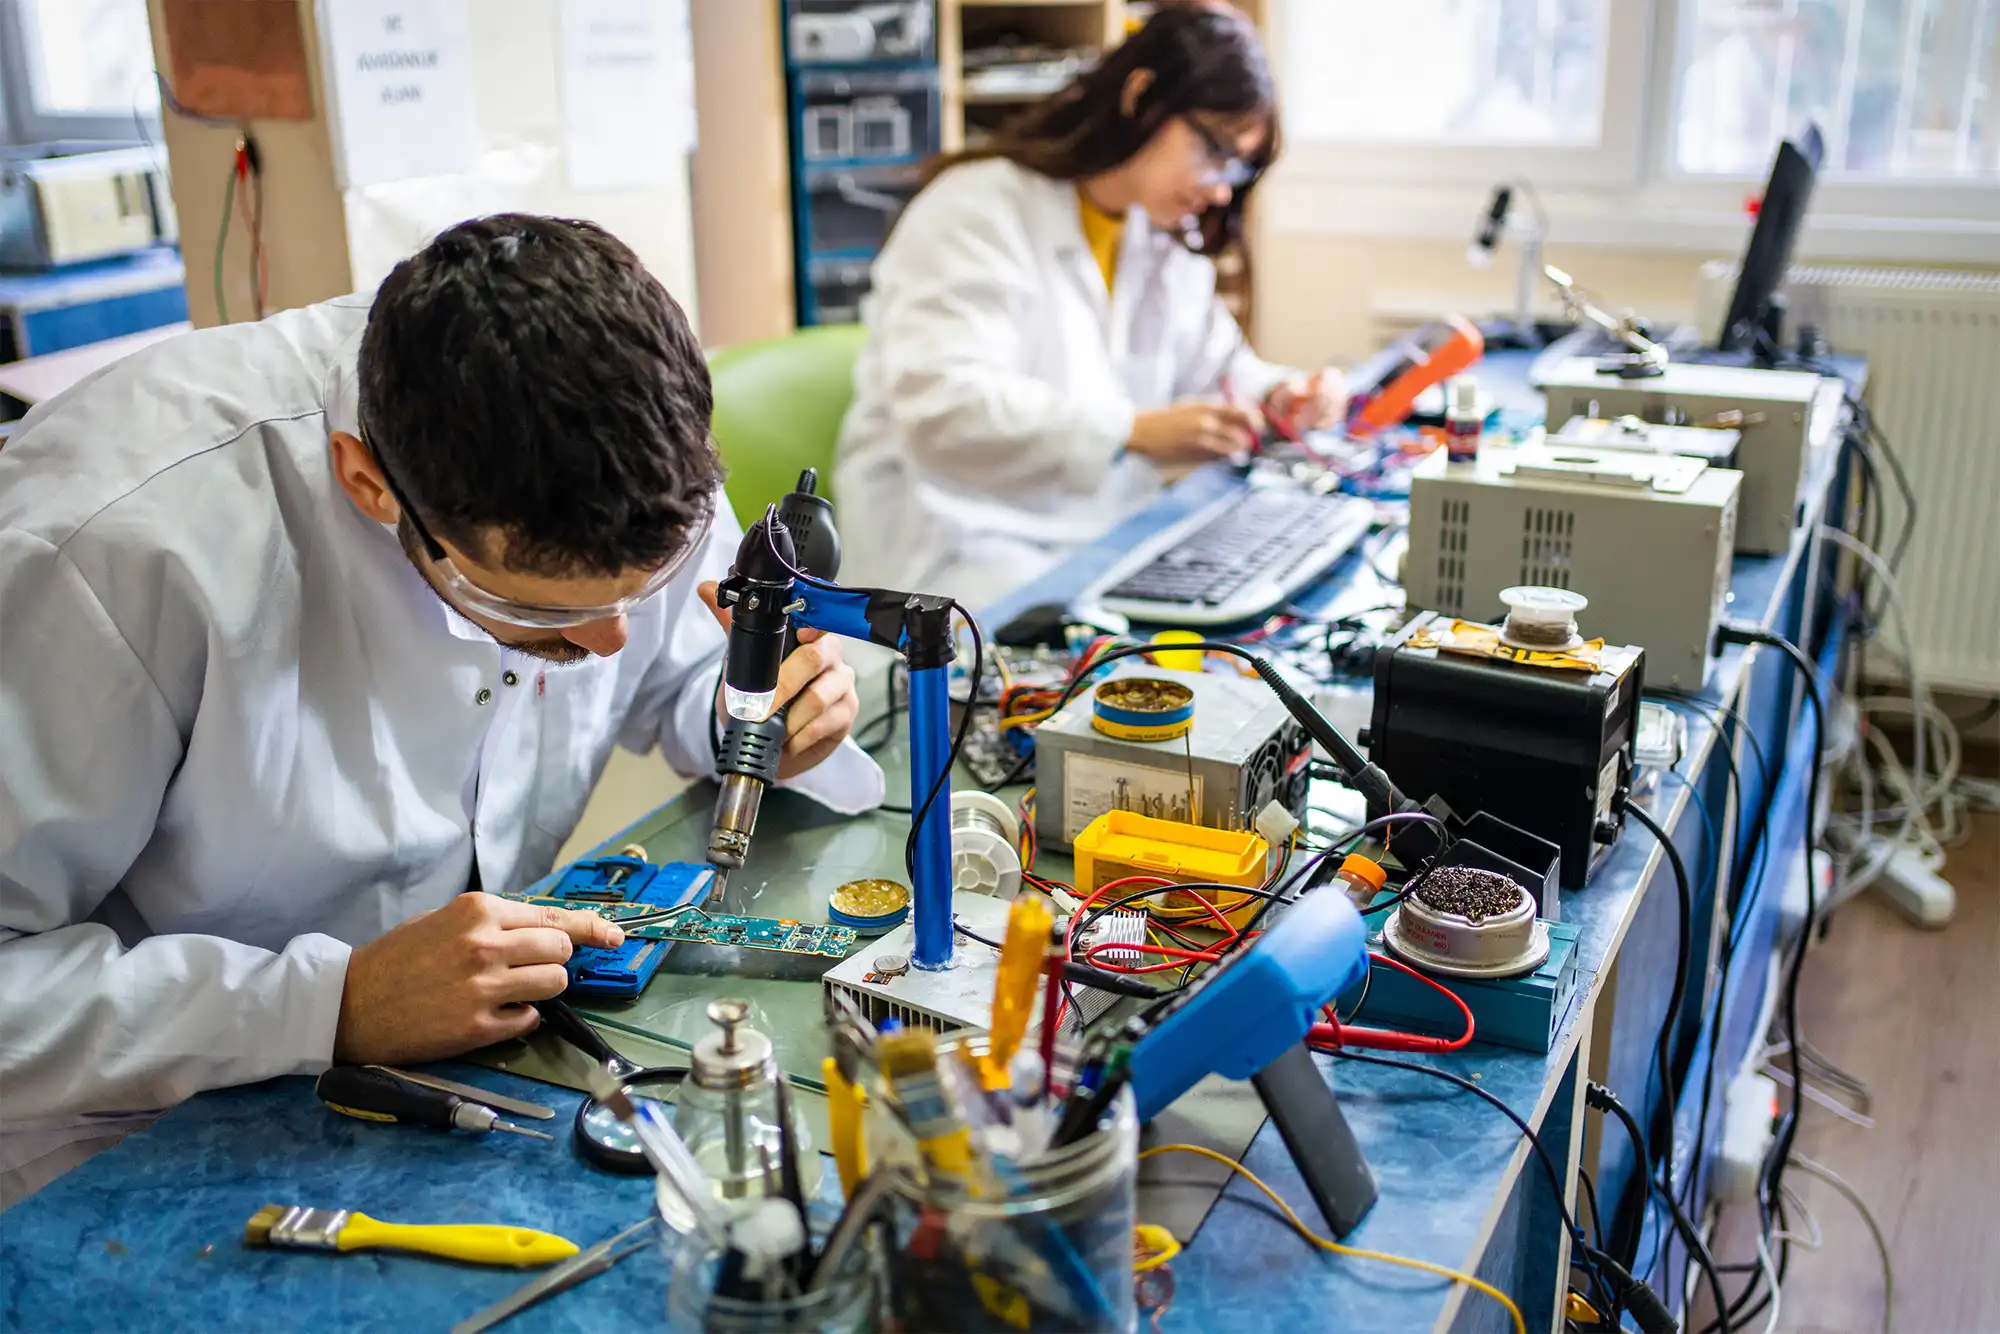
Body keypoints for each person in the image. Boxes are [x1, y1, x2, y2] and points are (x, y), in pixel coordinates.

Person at [0, 215, 881, 1203]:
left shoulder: (624, 440)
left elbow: (672, 674)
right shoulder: (105, 549)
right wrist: (328, 1004)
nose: (609, 644)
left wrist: (747, 717)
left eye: (651, 586)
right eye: (539, 613)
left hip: (466, 1067)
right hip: (133, 1135)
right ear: (368, 482)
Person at [834, 3, 1342, 605]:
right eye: (1214, 149)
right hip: (958, 542)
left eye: (1238, 165)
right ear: (1141, 95)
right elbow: (945, 409)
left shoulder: (1155, 231)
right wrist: (1134, 432)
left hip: (1093, 532)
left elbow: (1219, 368)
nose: (1221, 186)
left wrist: (1281, 394)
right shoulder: (974, 209)